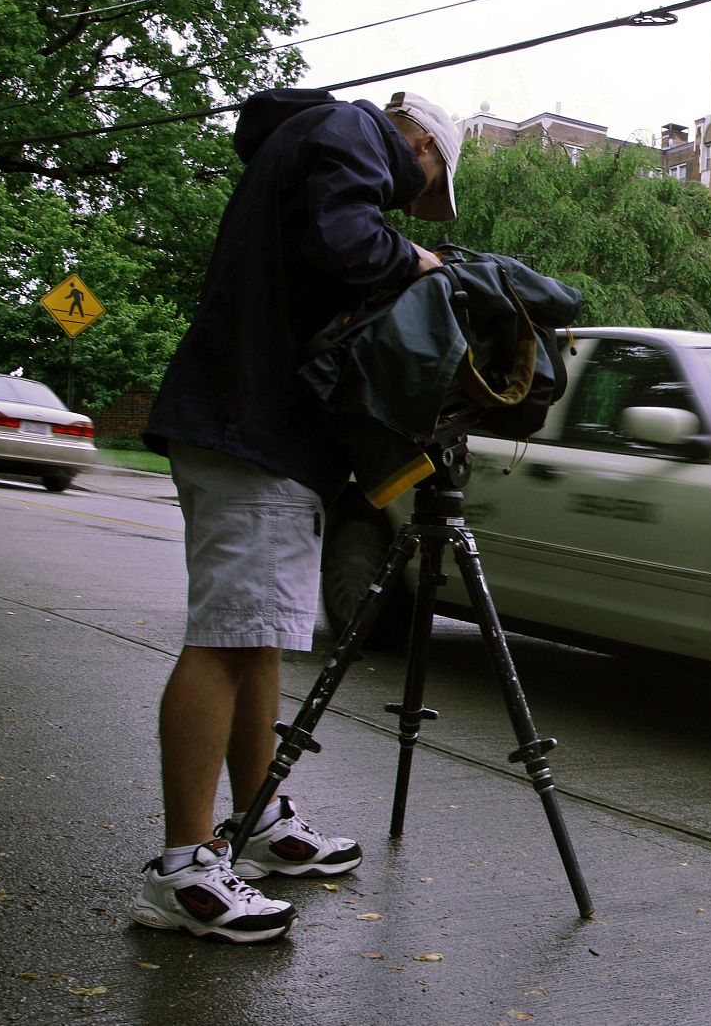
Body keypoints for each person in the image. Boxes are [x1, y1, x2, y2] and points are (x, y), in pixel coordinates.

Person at [128, 87, 461, 944]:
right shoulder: (350, 129)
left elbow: (328, 254)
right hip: (253, 428)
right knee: (227, 635)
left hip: (258, 428)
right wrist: (416, 261)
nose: (409, 203)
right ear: (418, 139)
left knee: (259, 634)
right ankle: (183, 868)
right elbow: (348, 242)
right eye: (424, 186)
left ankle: (261, 819)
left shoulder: (312, 143)